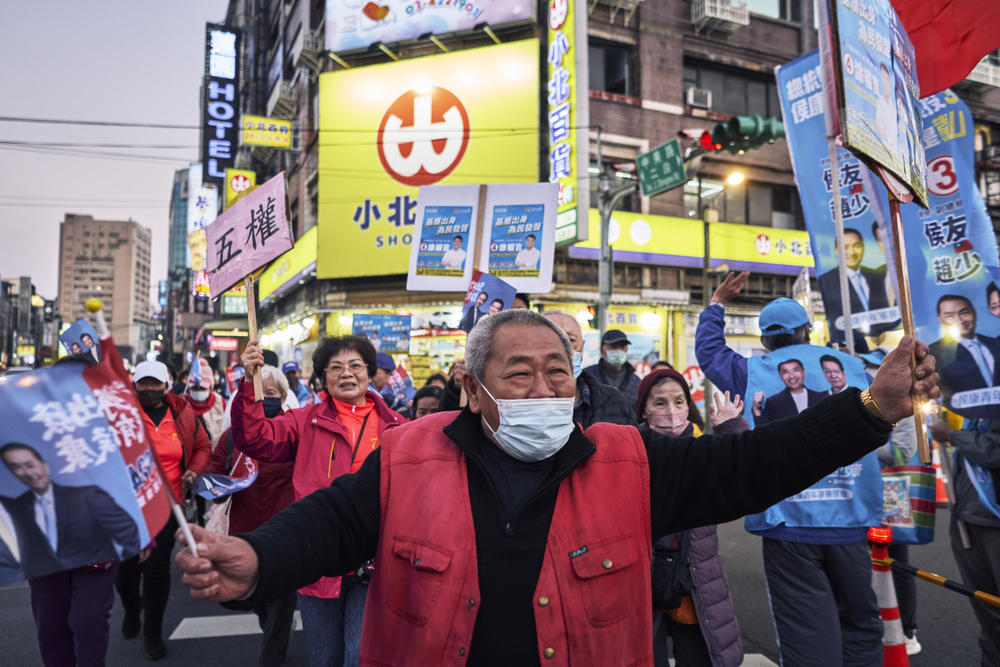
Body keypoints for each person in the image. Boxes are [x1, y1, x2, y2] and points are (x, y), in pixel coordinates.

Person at [175, 308, 938, 666]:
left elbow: (751, 467)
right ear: (473, 388)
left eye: (557, 372)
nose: (545, 387)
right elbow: (324, 524)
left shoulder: (631, 458)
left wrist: (871, 408)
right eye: (520, 372)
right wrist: (254, 557)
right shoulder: (407, 458)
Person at [696, 271, 888, 666]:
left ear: (766, 339)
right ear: (808, 330)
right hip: (850, 521)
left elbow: (710, 352)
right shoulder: (853, 366)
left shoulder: (750, 370)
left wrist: (717, 304)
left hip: (788, 522)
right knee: (861, 625)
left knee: (806, 633)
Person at [231, 335, 405, 667]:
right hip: (317, 560)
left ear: (371, 373)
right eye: (335, 367)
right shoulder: (304, 420)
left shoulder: (397, 427)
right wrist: (250, 381)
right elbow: (254, 438)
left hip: (376, 561)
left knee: (358, 655)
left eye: (355, 366)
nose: (346, 374)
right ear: (323, 376)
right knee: (325, 657)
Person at [637, 371, 745, 667]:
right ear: (645, 409)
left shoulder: (703, 449)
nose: (671, 411)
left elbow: (742, 472)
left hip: (696, 579)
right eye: (660, 403)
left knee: (700, 655)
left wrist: (732, 428)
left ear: (688, 406)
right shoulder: (630, 452)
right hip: (643, 581)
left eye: (678, 401)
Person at [117, 359, 211, 660]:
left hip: (168, 506)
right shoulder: (121, 415)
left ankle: (152, 633)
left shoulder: (182, 414)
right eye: (142, 383)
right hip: (128, 508)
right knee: (126, 571)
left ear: (165, 386)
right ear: (135, 385)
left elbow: (203, 447)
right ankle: (133, 608)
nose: (148, 389)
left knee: (157, 570)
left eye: (154, 384)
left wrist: (193, 472)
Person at [207, 365, 297, 667]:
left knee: (282, 603)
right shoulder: (233, 438)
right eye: (259, 393)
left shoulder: (295, 433)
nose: (265, 399)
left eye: (271, 393)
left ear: (283, 397)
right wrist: (216, 486)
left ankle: (272, 658)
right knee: (260, 599)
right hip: (245, 533)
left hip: (286, 532)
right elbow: (214, 475)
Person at [0, 443, 140, 576]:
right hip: (47, 580)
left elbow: (129, 534)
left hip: (92, 572)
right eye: (16, 467)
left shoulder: (89, 496)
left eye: (30, 465)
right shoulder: (17, 507)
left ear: (44, 464)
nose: (27, 473)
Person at [928, 417, 1000, 666]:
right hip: (967, 519)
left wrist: (952, 435)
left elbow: (994, 449)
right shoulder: (973, 408)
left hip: (994, 522)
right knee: (985, 607)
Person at [545, 311, 636, 428]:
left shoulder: (618, 402)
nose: (561, 350)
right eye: (548, 340)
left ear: (582, 348)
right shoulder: (518, 401)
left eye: (571, 340)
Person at [928, 295, 1000, 416]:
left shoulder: (996, 344)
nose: (960, 320)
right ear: (940, 319)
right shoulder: (933, 354)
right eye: (950, 316)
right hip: (963, 427)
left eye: (964, 312)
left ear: (974, 313)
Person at [817, 228, 891, 339]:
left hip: (886, 342)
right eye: (845, 247)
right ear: (837, 250)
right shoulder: (826, 281)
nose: (851, 252)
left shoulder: (877, 276)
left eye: (856, 246)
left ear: (863, 247)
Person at [752, 358, 827, 424]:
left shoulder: (822, 398)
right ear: (780, 376)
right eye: (785, 372)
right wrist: (756, 408)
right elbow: (764, 430)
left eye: (795, 370)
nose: (791, 376)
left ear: (803, 372)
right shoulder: (774, 402)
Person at [582, 328, 642, 406]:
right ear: (601, 350)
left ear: (627, 349)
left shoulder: (636, 382)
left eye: (622, 346)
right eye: (613, 346)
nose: (618, 350)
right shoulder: (587, 376)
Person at [185, 357, 226, 450]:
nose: (199, 391)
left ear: (210, 387)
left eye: (203, 388)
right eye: (195, 388)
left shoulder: (219, 402)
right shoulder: (182, 404)